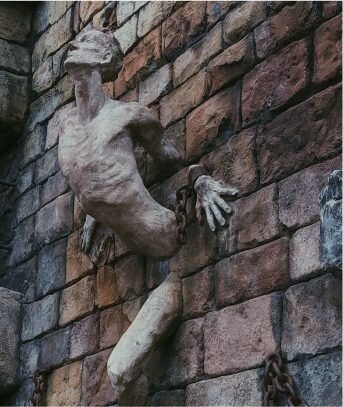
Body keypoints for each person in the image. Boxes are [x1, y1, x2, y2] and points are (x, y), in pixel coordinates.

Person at [58, 28, 237, 404]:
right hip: (132, 266)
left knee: (119, 372)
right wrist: (96, 212)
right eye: (74, 41)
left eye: (88, 42)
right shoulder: (67, 128)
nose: (73, 44)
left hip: (172, 253)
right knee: (121, 377)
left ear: (107, 61)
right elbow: (92, 178)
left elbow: (173, 160)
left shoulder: (129, 117)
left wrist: (200, 181)